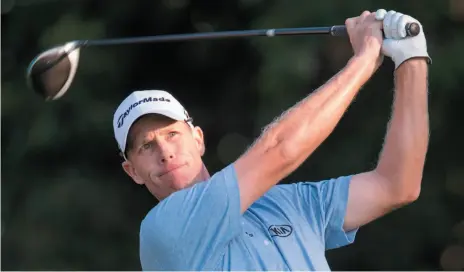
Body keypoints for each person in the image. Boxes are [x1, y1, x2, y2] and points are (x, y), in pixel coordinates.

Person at [112, 8, 431, 271]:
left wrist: (411, 58)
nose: (165, 152)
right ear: (132, 171)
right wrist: (364, 59)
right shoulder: (163, 228)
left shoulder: (287, 203)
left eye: (172, 134)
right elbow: (280, 149)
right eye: (146, 146)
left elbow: (397, 184)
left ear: (198, 139)